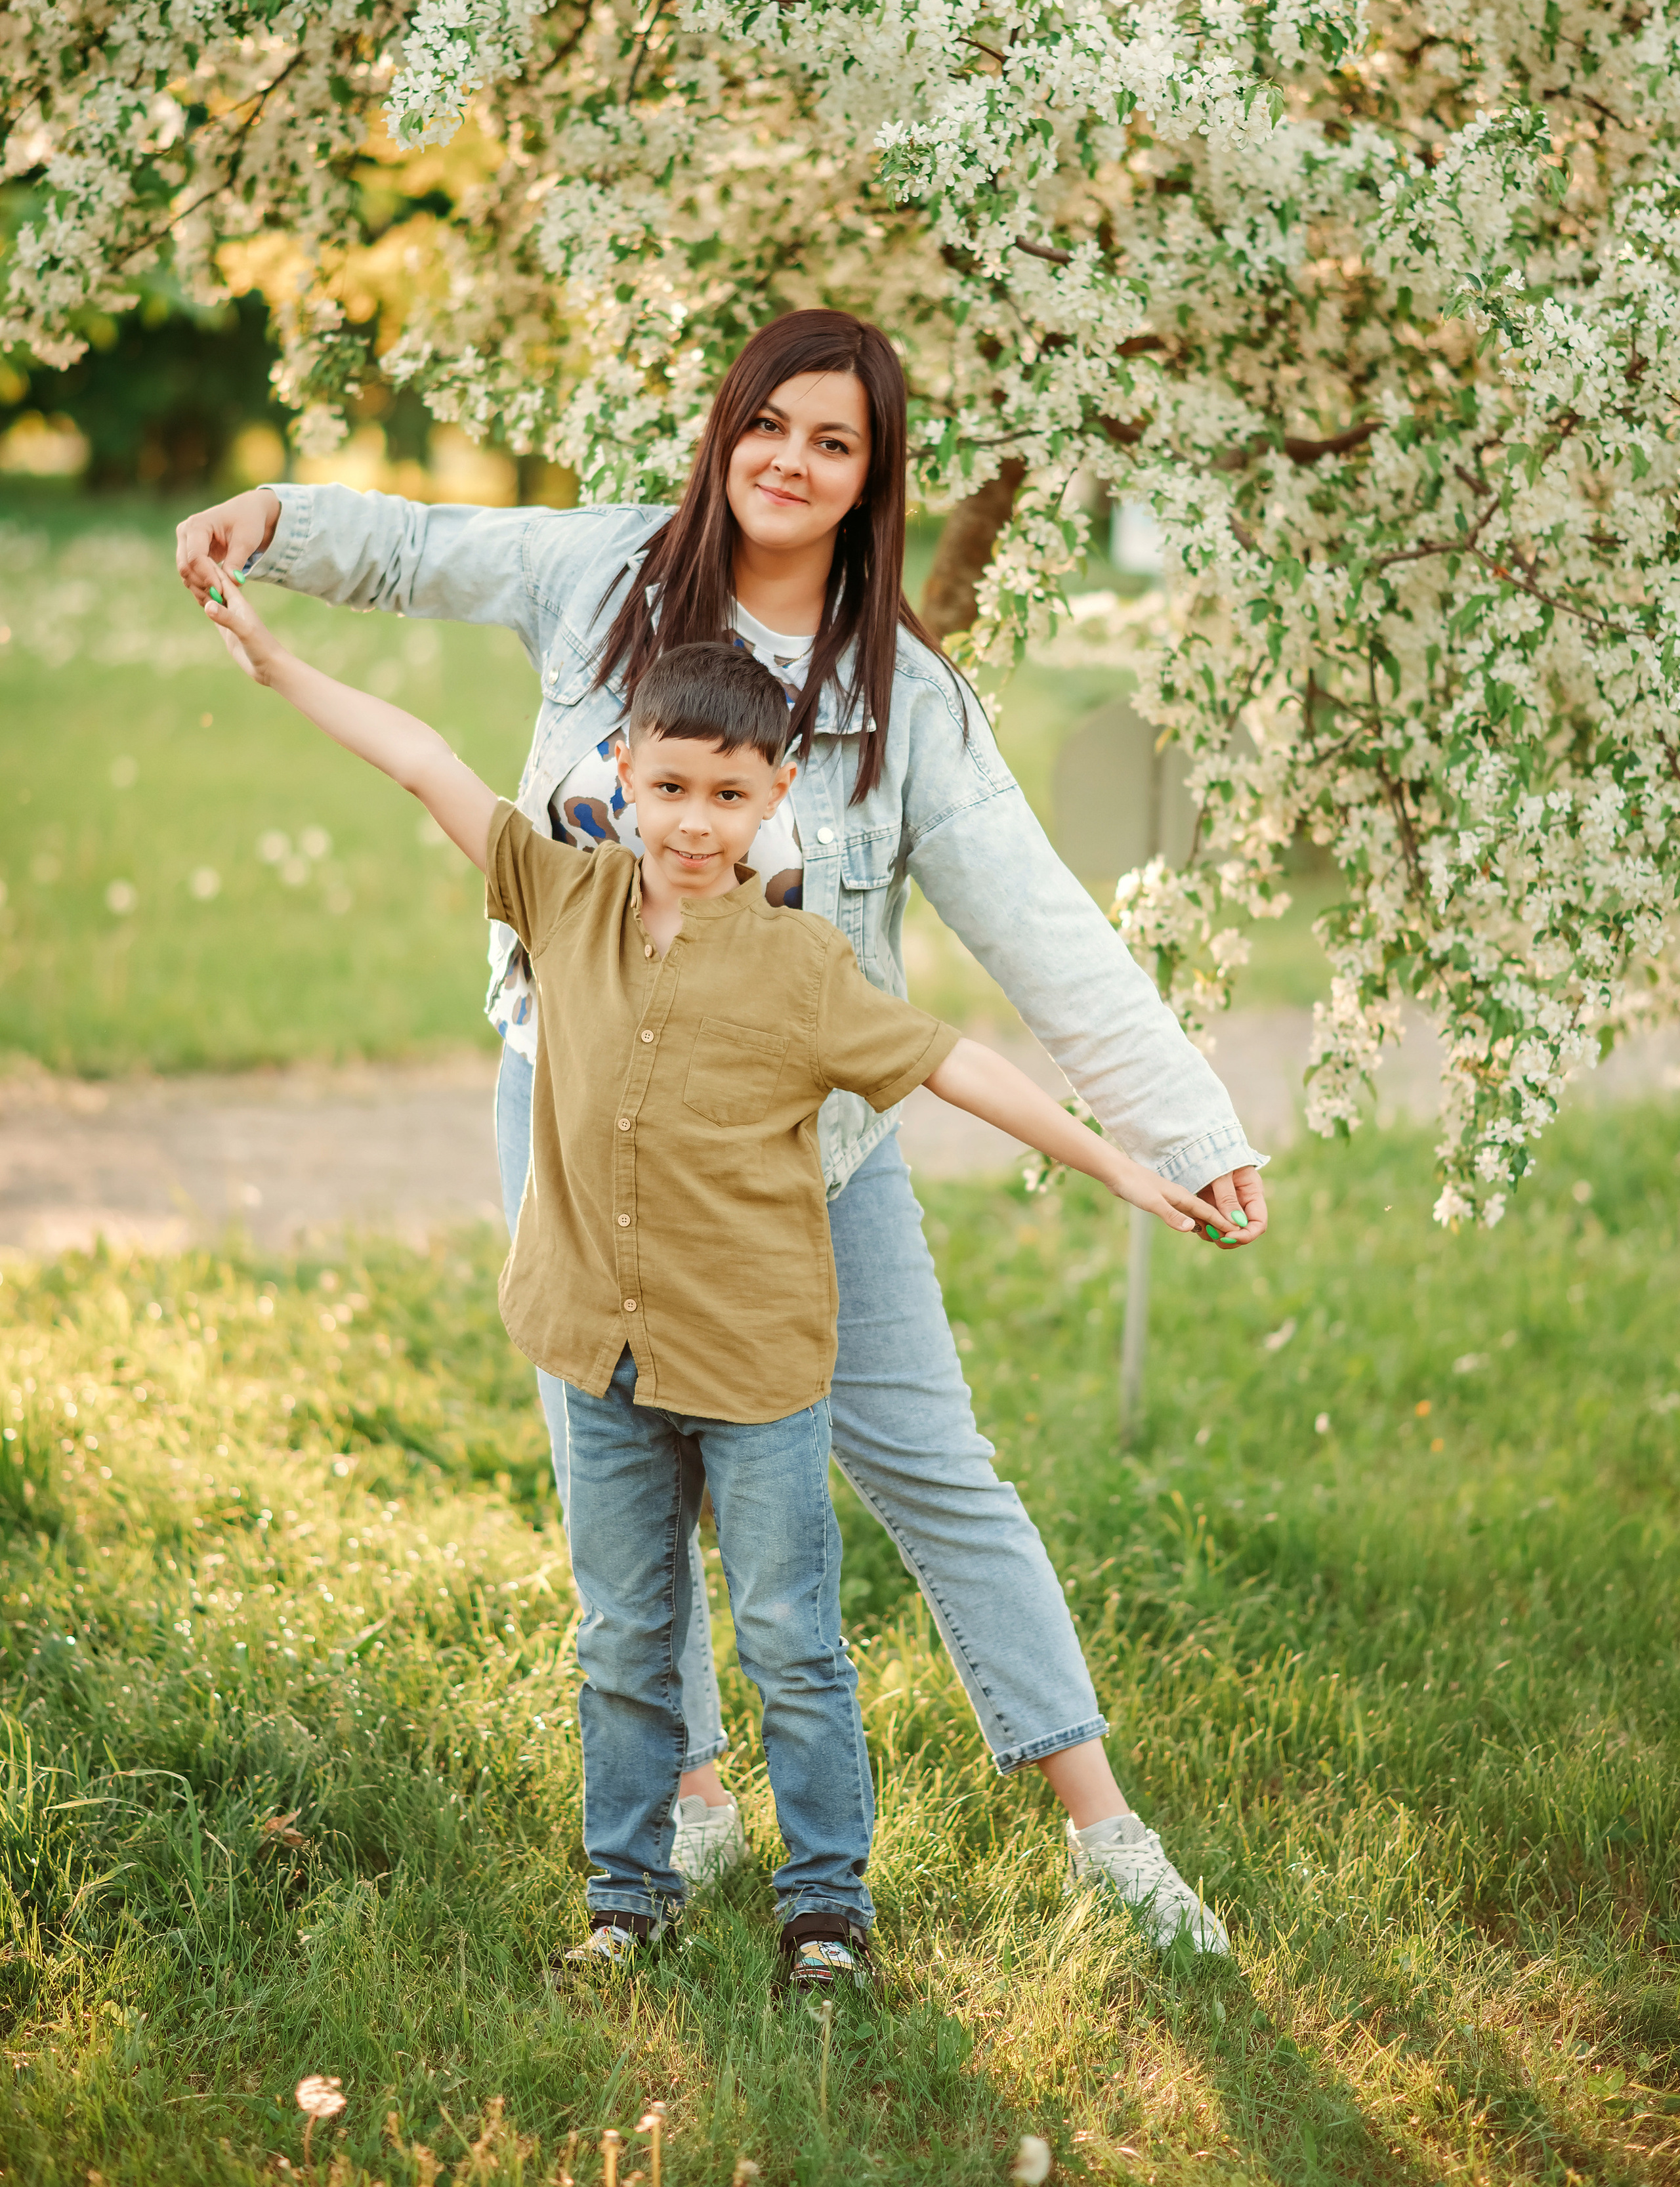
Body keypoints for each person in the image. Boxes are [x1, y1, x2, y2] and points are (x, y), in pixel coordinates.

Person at [176, 306, 1269, 1957]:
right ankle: (684, 1803)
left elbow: (1039, 927)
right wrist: (278, 522)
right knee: (621, 1477)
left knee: (934, 1471)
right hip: (578, 1129)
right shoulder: (606, 575)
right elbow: (416, 550)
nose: (793, 463)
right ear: (727, 428)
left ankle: (1105, 1833)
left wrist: (1175, 1127)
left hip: (806, 1166)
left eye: (835, 444)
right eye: (773, 426)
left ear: (869, 480)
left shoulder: (903, 698)